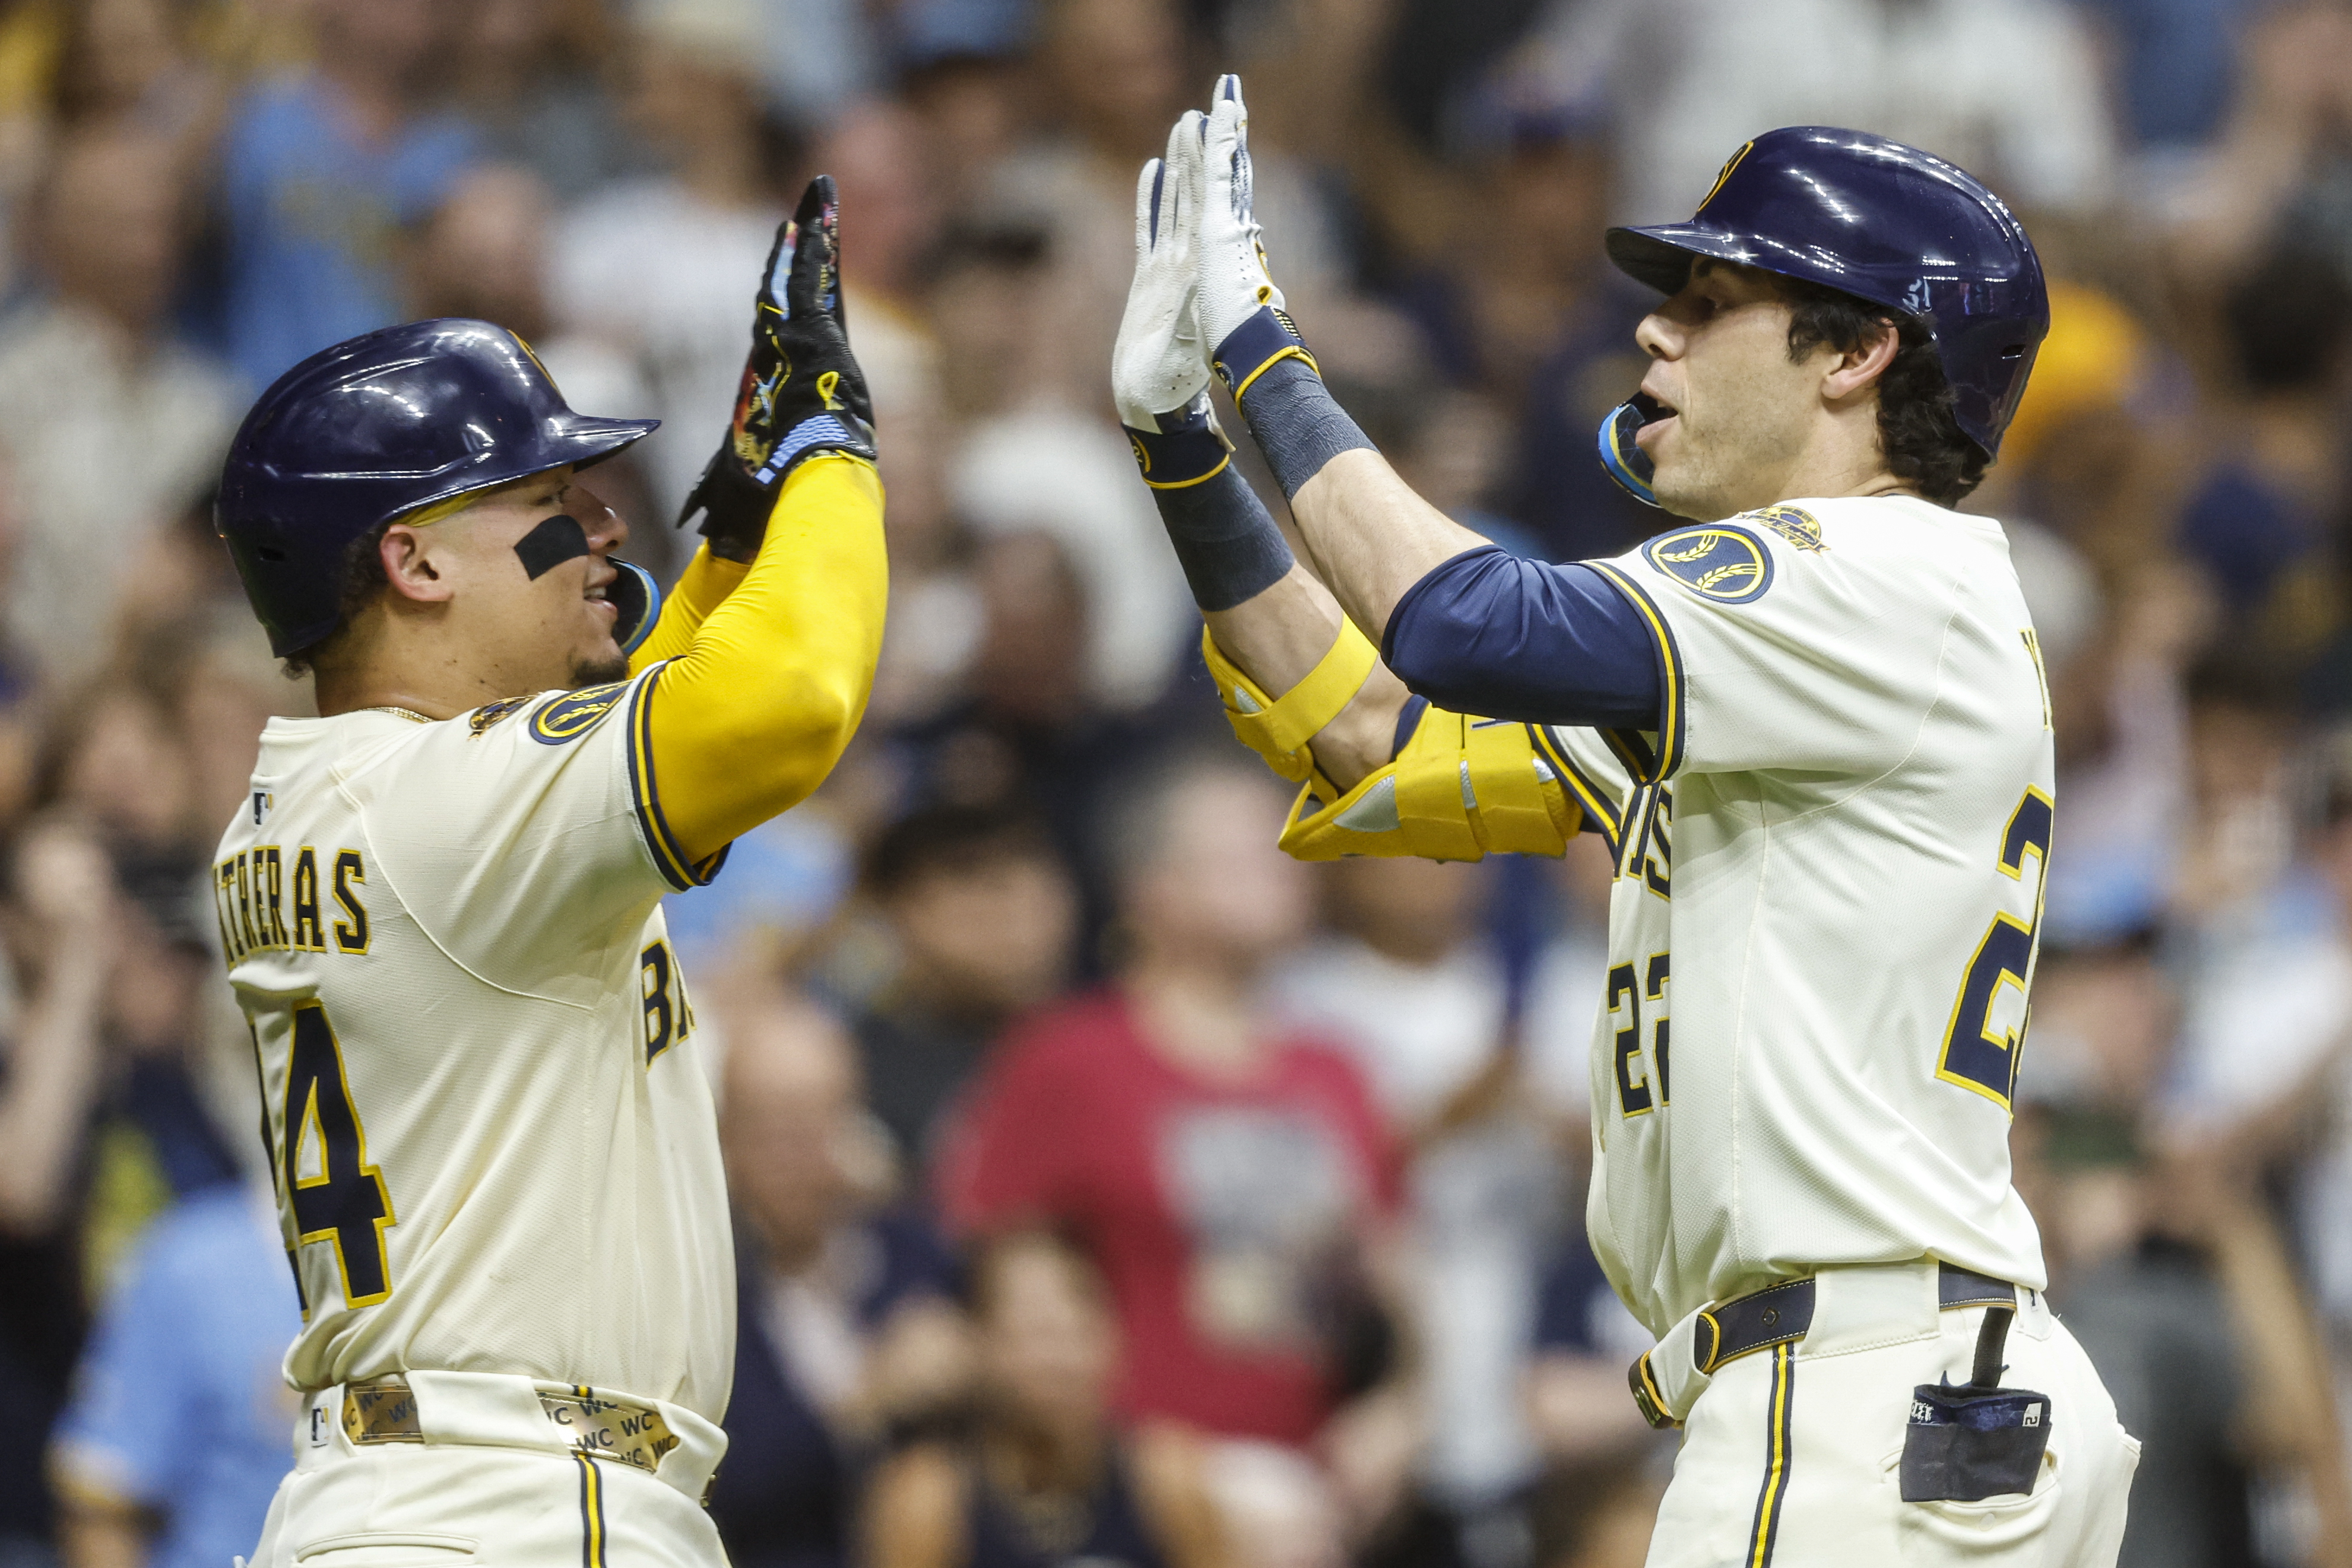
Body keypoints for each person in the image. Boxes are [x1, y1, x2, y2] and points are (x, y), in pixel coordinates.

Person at [1110, 84, 2137, 1563]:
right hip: (1892, 1390)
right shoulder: (1807, 643)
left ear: (1857, 352)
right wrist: (1182, 443)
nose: (1654, 331)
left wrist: (1262, 343)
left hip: (1859, 1394)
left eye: (1714, 301)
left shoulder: (1871, 571)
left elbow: (1461, 619)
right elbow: (1367, 731)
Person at [209, 179, 886, 1568]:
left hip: (422, 1498)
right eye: (548, 500)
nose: (607, 528)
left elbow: (642, 713)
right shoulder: (448, 805)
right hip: (511, 1505)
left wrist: (742, 538)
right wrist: (826, 447)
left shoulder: (360, 788)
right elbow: (791, 699)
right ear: (414, 559)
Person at [936, 756, 1412, 1540]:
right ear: (1153, 888)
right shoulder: (1069, 1059)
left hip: (1319, 1492)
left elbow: (1396, 1285)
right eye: (1245, 852)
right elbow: (988, 1271)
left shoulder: (1337, 1070)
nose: (1285, 864)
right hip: (1134, 1494)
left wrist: (1398, 1412)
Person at [713, 991, 966, 1568]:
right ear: (725, 1141)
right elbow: (726, 1482)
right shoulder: (709, 1289)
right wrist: (866, 1403)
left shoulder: (918, 1258)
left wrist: (977, 1369)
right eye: (774, 1129)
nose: (802, 1153)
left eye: (821, 1119)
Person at [864, 1229, 1229, 1568]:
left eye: (1077, 1330)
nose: (1060, 1361)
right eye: (1033, 1333)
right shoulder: (929, 1500)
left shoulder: (1166, 1479)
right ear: (977, 1345)